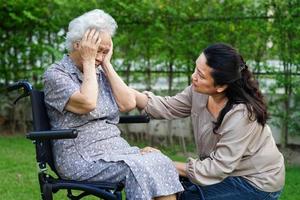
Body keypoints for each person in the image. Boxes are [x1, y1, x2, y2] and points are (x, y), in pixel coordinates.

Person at [105, 43, 285, 200]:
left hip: (255, 182)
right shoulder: (199, 92)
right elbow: (167, 106)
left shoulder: (242, 114)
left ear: (221, 86)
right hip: (223, 173)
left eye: (201, 75)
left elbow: (216, 168)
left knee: (177, 193)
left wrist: (162, 162)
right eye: (195, 69)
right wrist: (121, 88)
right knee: (160, 183)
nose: (193, 77)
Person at [43, 9, 183, 200]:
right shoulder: (56, 75)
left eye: (106, 51)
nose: (100, 56)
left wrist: (107, 64)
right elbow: (87, 103)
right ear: (78, 45)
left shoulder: (100, 71)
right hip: (81, 157)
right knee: (140, 168)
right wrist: (90, 60)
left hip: (116, 149)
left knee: (159, 160)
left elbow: (128, 103)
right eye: (97, 50)